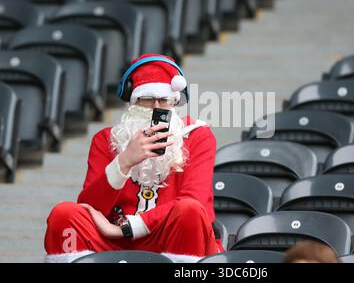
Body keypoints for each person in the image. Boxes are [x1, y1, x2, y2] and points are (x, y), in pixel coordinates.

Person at [44, 53, 223, 262]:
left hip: (170, 236)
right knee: (64, 214)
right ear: (133, 101)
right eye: (147, 100)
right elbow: (90, 208)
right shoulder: (105, 140)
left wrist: (126, 228)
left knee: (189, 211)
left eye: (164, 100)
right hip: (114, 243)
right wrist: (124, 161)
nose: (157, 107)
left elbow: (195, 201)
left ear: (174, 102)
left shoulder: (197, 135)